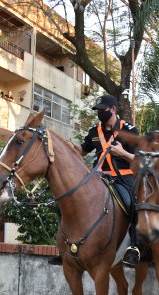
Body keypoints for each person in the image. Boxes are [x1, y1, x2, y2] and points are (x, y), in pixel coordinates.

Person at [48, 94, 142, 267]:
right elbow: (83, 150)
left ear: (113, 109)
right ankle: (65, 248)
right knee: (67, 201)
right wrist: (71, 147)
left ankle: (134, 247)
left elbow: (140, 160)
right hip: (97, 177)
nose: (99, 113)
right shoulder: (94, 132)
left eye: (102, 110)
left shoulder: (129, 130)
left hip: (122, 177)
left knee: (133, 205)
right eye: (97, 110)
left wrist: (123, 153)